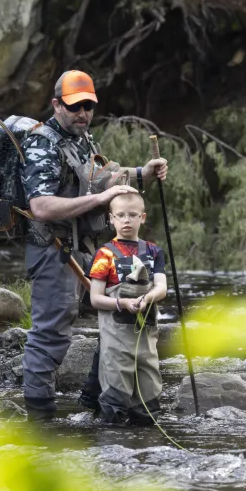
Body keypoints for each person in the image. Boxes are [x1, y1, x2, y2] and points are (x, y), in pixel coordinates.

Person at [20, 69, 168, 421]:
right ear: (57, 105)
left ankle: (92, 399)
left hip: (83, 248)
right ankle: (39, 421)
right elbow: (41, 207)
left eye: (88, 106)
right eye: (75, 107)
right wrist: (101, 198)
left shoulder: (83, 138)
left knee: (118, 314)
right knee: (50, 336)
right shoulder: (42, 142)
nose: (83, 113)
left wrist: (143, 173)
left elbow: (101, 174)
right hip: (52, 250)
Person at [87, 192, 167, 424]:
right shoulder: (104, 254)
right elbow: (95, 298)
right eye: (120, 215)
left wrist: (148, 297)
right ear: (111, 219)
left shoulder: (154, 252)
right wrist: (122, 303)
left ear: (142, 218)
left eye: (132, 215)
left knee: (148, 400)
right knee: (116, 395)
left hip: (146, 334)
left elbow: (161, 287)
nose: (126, 220)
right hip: (115, 336)